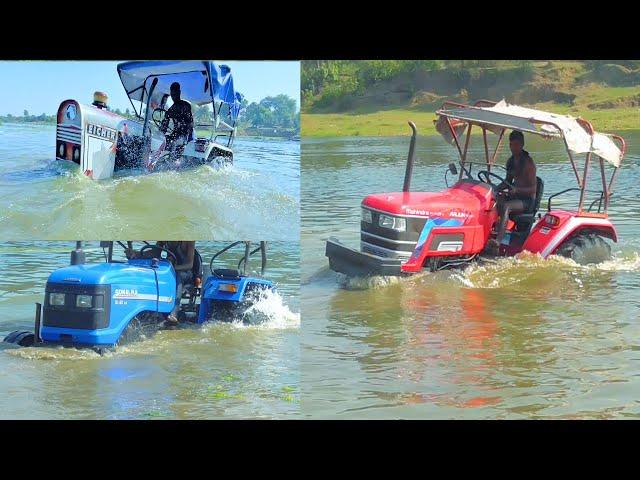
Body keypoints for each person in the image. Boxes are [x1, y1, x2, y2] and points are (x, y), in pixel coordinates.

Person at [486, 130, 537, 255]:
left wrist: (517, 190)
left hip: (527, 200)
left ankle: (498, 241)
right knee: (496, 200)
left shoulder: (528, 163)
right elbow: (507, 182)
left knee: (506, 206)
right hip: (516, 196)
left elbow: (533, 189)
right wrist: (494, 189)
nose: (514, 148)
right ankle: (488, 234)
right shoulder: (510, 161)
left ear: (522, 144)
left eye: (516, 145)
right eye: (511, 145)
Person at [161, 241, 196, 327]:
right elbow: (154, 252)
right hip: (169, 270)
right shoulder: (163, 240)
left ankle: (174, 312)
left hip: (185, 272)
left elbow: (189, 265)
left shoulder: (188, 241)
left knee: (178, 276)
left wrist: (174, 268)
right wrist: (137, 253)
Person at [159, 82, 194, 154]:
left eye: (175, 94)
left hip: (185, 135)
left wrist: (188, 135)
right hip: (175, 134)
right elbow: (164, 125)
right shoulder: (170, 109)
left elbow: (190, 123)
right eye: (172, 95)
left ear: (179, 93)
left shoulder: (186, 105)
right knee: (163, 141)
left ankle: (173, 160)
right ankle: (158, 158)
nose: (174, 97)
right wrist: (161, 133)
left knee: (174, 142)